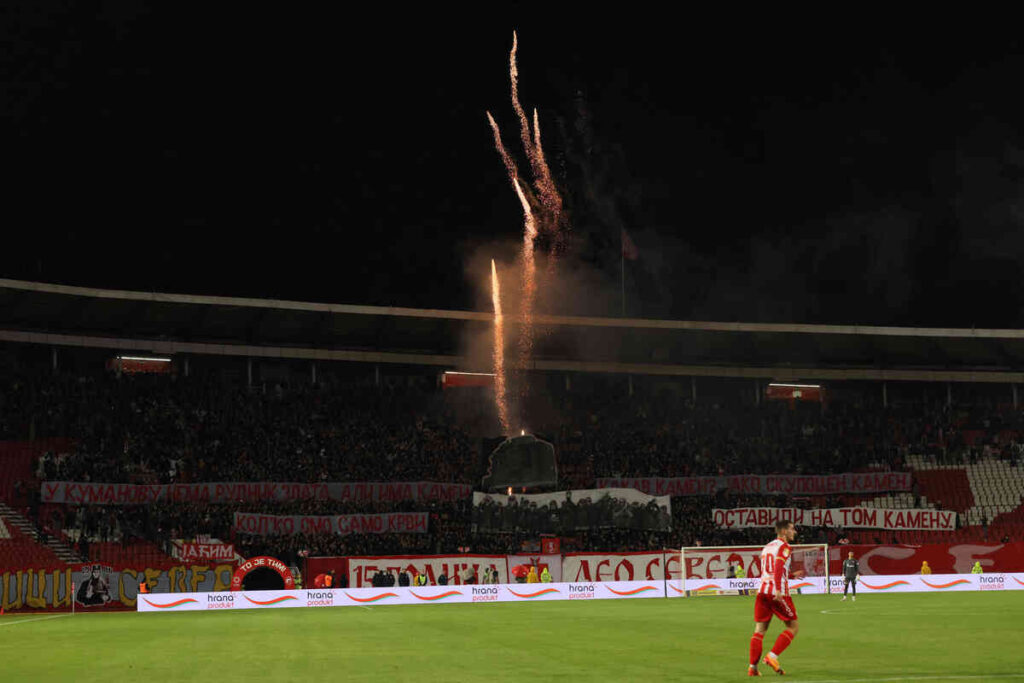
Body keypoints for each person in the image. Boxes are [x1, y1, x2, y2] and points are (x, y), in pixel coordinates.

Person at [748, 520, 804, 677]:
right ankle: (772, 657)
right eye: (792, 529)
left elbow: (769, 569)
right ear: (784, 531)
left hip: (762, 592)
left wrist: (791, 575)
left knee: (759, 631)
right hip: (777, 593)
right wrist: (778, 589)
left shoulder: (767, 547)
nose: (795, 532)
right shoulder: (784, 546)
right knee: (793, 626)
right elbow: (778, 566)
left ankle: (752, 668)